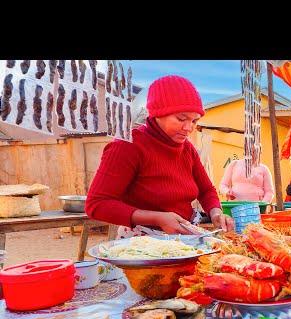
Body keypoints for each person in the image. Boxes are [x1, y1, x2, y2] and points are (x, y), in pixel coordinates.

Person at [86, 75, 234, 236]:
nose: (188, 127)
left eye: (194, 121)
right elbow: (97, 204)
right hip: (140, 243)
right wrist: (157, 218)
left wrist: (215, 213)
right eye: (181, 119)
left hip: (185, 237)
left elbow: (206, 190)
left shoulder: (187, 149)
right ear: (157, 114)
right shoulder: (127, 145)